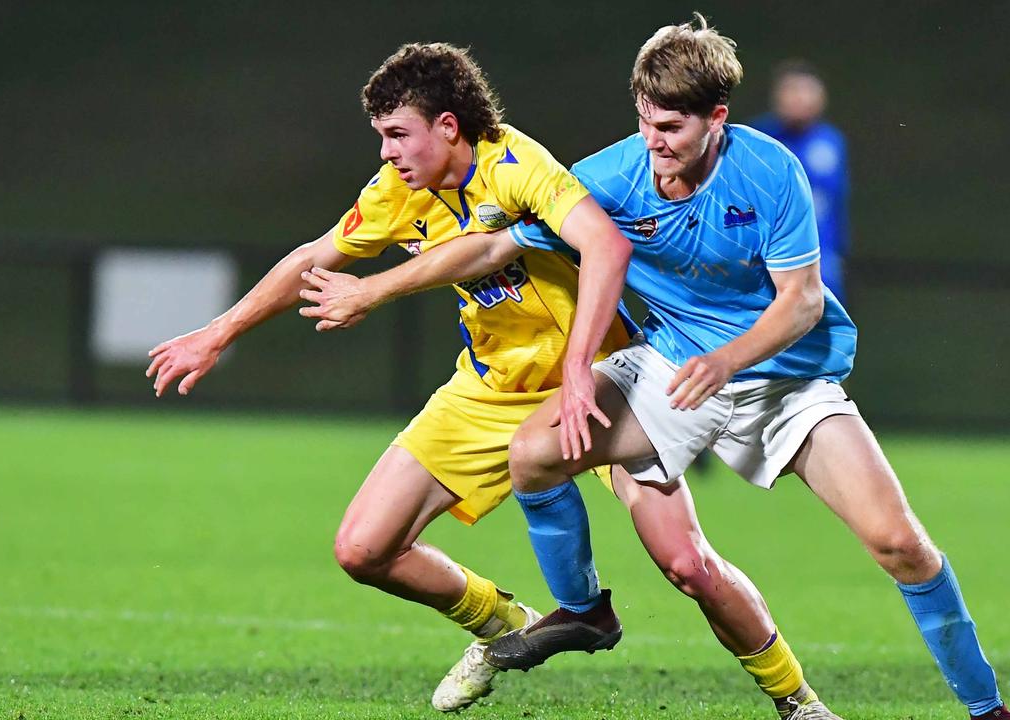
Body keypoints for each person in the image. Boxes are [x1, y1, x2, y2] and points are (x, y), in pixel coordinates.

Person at [303, 14, 1006, 720]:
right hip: (670, 366)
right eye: (643, 121)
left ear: (716, 118)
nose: (652, 142)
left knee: (900, 546)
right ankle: (581, 612)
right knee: (536, 453)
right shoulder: (612, 175)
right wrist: (373, 288)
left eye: (669, 126)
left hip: (784, 379)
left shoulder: (768, 170)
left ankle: (981, 708)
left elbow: (799, 304)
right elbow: (491, 249)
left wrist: (725, 359)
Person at [146, 42, 637, 712]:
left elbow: (601, 242)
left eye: (396, 134)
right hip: (491, 387)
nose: (385, 152)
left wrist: (373, 292)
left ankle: (794, 697)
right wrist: (217, 332)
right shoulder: (393, 194)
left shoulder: (517, 165)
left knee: (683, 560)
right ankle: (503, 625)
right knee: (362, 548)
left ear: (447, 126)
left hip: (600, 379)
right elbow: (313, 258)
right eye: (380, 136)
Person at [751, 60, 850, 302]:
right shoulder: (759, 140)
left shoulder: (831, 141)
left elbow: (837, 203)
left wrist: (841, 253)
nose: (799, 98)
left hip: (822, 257)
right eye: (792, 90)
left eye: (807, 90)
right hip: (770, 259)